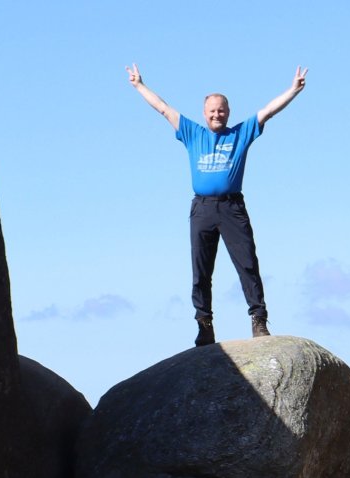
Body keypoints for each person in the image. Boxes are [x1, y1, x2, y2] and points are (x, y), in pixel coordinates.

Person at [127, 63, 307, 346]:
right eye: (212, 111)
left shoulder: (240, 133)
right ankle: (204, 325)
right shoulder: (192, 133)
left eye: (221, 110)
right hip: (202, 209)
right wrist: (139, 85)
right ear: (204, 113)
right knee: (201, 271)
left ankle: (258, 320)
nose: (216, 114)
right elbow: (163, 108)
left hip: (232, 208)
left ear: (228, 112)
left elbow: (269, 110)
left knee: (247, 264)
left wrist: (293, 90)